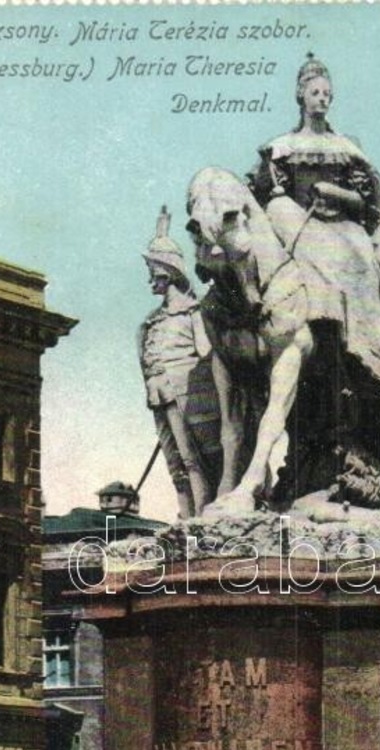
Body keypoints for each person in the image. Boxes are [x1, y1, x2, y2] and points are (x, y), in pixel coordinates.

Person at [248, 56, 380, 503]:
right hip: (295, 222)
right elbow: (262, 192)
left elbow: (368, 199)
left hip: (340, 226)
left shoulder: (347, 146)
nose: (321, 98)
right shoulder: (281, 146)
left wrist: (338, 198)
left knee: (358, 256)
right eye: (314, 91)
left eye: (327, 93)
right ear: (300, 95)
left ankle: (357, 338)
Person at [138, 206, 221, 518]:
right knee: (175, 464)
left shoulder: (192, 312)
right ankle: (184, 518)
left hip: (186, 394)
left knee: (192, 459)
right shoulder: (152, 321)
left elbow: (207, 354)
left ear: (166, 274)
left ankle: (200, 517)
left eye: (153, 274)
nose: (150, 282)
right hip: (158, 394)